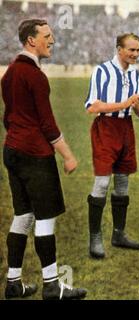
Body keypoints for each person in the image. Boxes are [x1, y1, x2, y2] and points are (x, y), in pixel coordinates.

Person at [1, 19, 87, 300]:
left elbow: (8, 118)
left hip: (12, 150)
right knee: (45, 218)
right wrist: (69, 155)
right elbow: (48, 125)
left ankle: (13, 283)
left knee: (22, 216)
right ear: (31, 41)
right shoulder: (35, 77)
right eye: (47, 36)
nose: (52, 41)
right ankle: (52, 285)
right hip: (34, 154)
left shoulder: (10, 73)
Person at [84, 33, 139, 259]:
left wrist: (137, 104)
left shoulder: (136, 74)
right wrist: (125, 103)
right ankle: (95, 238)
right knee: (102, 182)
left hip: (126, 128)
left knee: (122, 183)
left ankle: (119, 234)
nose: (135, 54)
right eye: (131, 50)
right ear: (119, 49)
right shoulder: (102, 71)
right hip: (106, 129)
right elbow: (92, 107)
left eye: (138, 50)